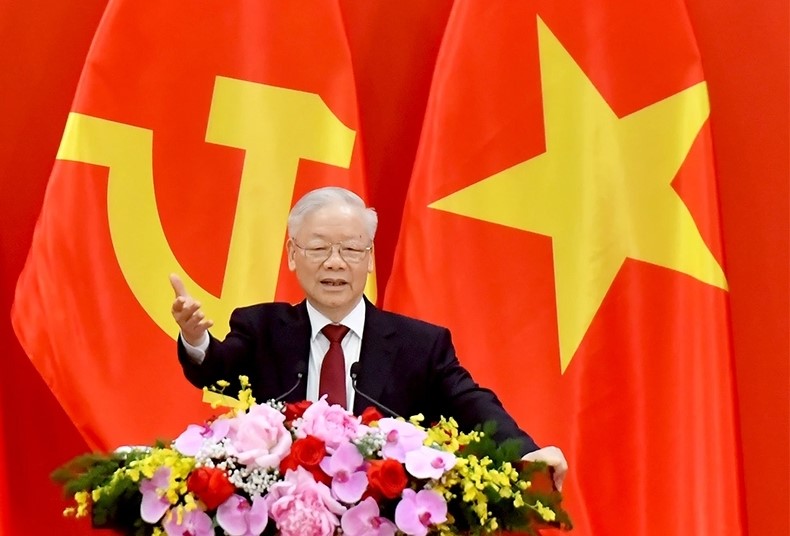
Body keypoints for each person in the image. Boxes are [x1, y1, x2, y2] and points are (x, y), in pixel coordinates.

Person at [171, 186, 567, 489]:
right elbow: (218, 369)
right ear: (292, 254)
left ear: (370, 257)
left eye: (350, 249)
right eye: (319, 248)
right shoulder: (261, 329)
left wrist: (526, 453)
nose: (335, 262)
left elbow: (471, 403)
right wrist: (195, 337)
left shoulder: (420, 346)